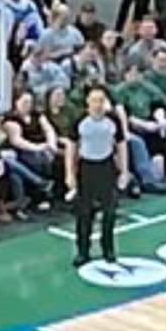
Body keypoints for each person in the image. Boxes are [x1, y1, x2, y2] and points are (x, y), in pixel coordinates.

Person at [66, 87, 127, 269]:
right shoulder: (80, 121)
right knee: (84, 214)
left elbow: (121, 145)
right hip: (86, 168)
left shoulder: (113, 120)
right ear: (88, 102)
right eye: (94, 100)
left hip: (106, 167)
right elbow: (71, 147)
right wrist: (69, 173)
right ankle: (83, 251)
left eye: (101, 100)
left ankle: (108, 248)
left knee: (109, 211)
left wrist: (124, 170)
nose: (98, 104)